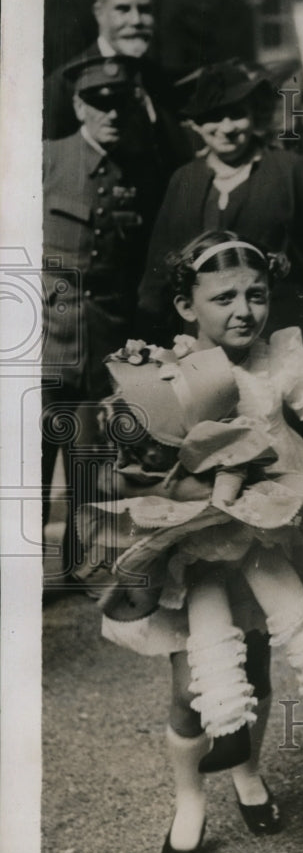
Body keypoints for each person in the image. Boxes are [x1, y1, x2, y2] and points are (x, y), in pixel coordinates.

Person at [76, 232, 303, 853]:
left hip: (270, 531)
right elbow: (138, 451)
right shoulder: (168, 369)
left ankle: (248, 771)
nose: (243, 310)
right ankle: (189, 803)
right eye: (223, 298)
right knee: (190, 687)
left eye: (256, 295)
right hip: (193, 544)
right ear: (186, 305)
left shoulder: (279, 359)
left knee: (259, 658)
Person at [41, 54, 168, 590]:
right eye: (99, 104)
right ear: (77, 105)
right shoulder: (46, 159)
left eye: (120, 105)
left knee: (90, 459)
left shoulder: (139, 173)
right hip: (44, 337)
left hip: (102, 338)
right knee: (32, 457)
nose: (110, 115)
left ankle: (81, 566)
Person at [136, 59, 303, 374]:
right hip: (203, 345)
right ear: (195, 124)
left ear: (254, 115)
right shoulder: (184, 179)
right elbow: (158, 270)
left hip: (276, 333)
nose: (226, 127)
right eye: (212, 118)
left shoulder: (289, 170)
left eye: (236, 114)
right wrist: (147, 333)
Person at [43, 0, 190, 176]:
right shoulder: (64, 84)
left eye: (145, 9)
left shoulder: (158, 80)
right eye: (123, 9)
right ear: (99, 13)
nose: (136, 20)